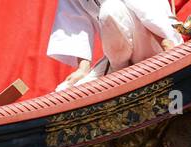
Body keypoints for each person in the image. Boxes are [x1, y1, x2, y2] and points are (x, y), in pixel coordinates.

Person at [50, 0, 183, 91]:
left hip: (152, 39)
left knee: (109, 9)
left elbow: (147, 9)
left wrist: (166, 44)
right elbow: (76, 25)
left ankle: (120, 75)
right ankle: (120, 75)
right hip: (118, 57)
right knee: (65, 90)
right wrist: (82, 69)